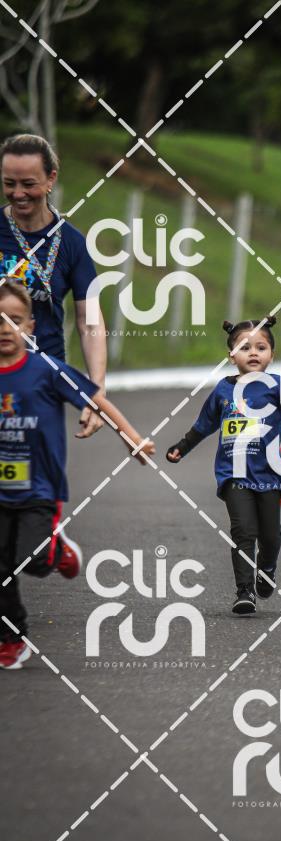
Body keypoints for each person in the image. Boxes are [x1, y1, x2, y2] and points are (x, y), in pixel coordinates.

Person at [0, 279, 155, 670]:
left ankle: (57, 550)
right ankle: (12, 639)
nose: (6, 328)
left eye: (15, 320)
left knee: (33, 561)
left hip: (39, 489)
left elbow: (95, 399)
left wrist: (132, 438)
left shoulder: (46, 370)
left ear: (30, 326)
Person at [167, 317, 281, 616]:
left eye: (261, 347)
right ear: (231, 356)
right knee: (243, 531)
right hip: (233, 475)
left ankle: (267, 569)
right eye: (244, 347)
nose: (253, 352)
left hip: (269, 475)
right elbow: (203, 426)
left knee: (271, 536)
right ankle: (244, 592)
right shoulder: (222, 391)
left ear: (271, 355)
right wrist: (182, 447)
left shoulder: (277, 386)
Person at [0, 133, 107, 438]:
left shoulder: (72, 244)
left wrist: (96, 393)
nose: (18, 193)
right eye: (9, 183)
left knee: (39, 462)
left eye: (28, 184)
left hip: (41, 379)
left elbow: (90, 321)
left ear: (51, 179)